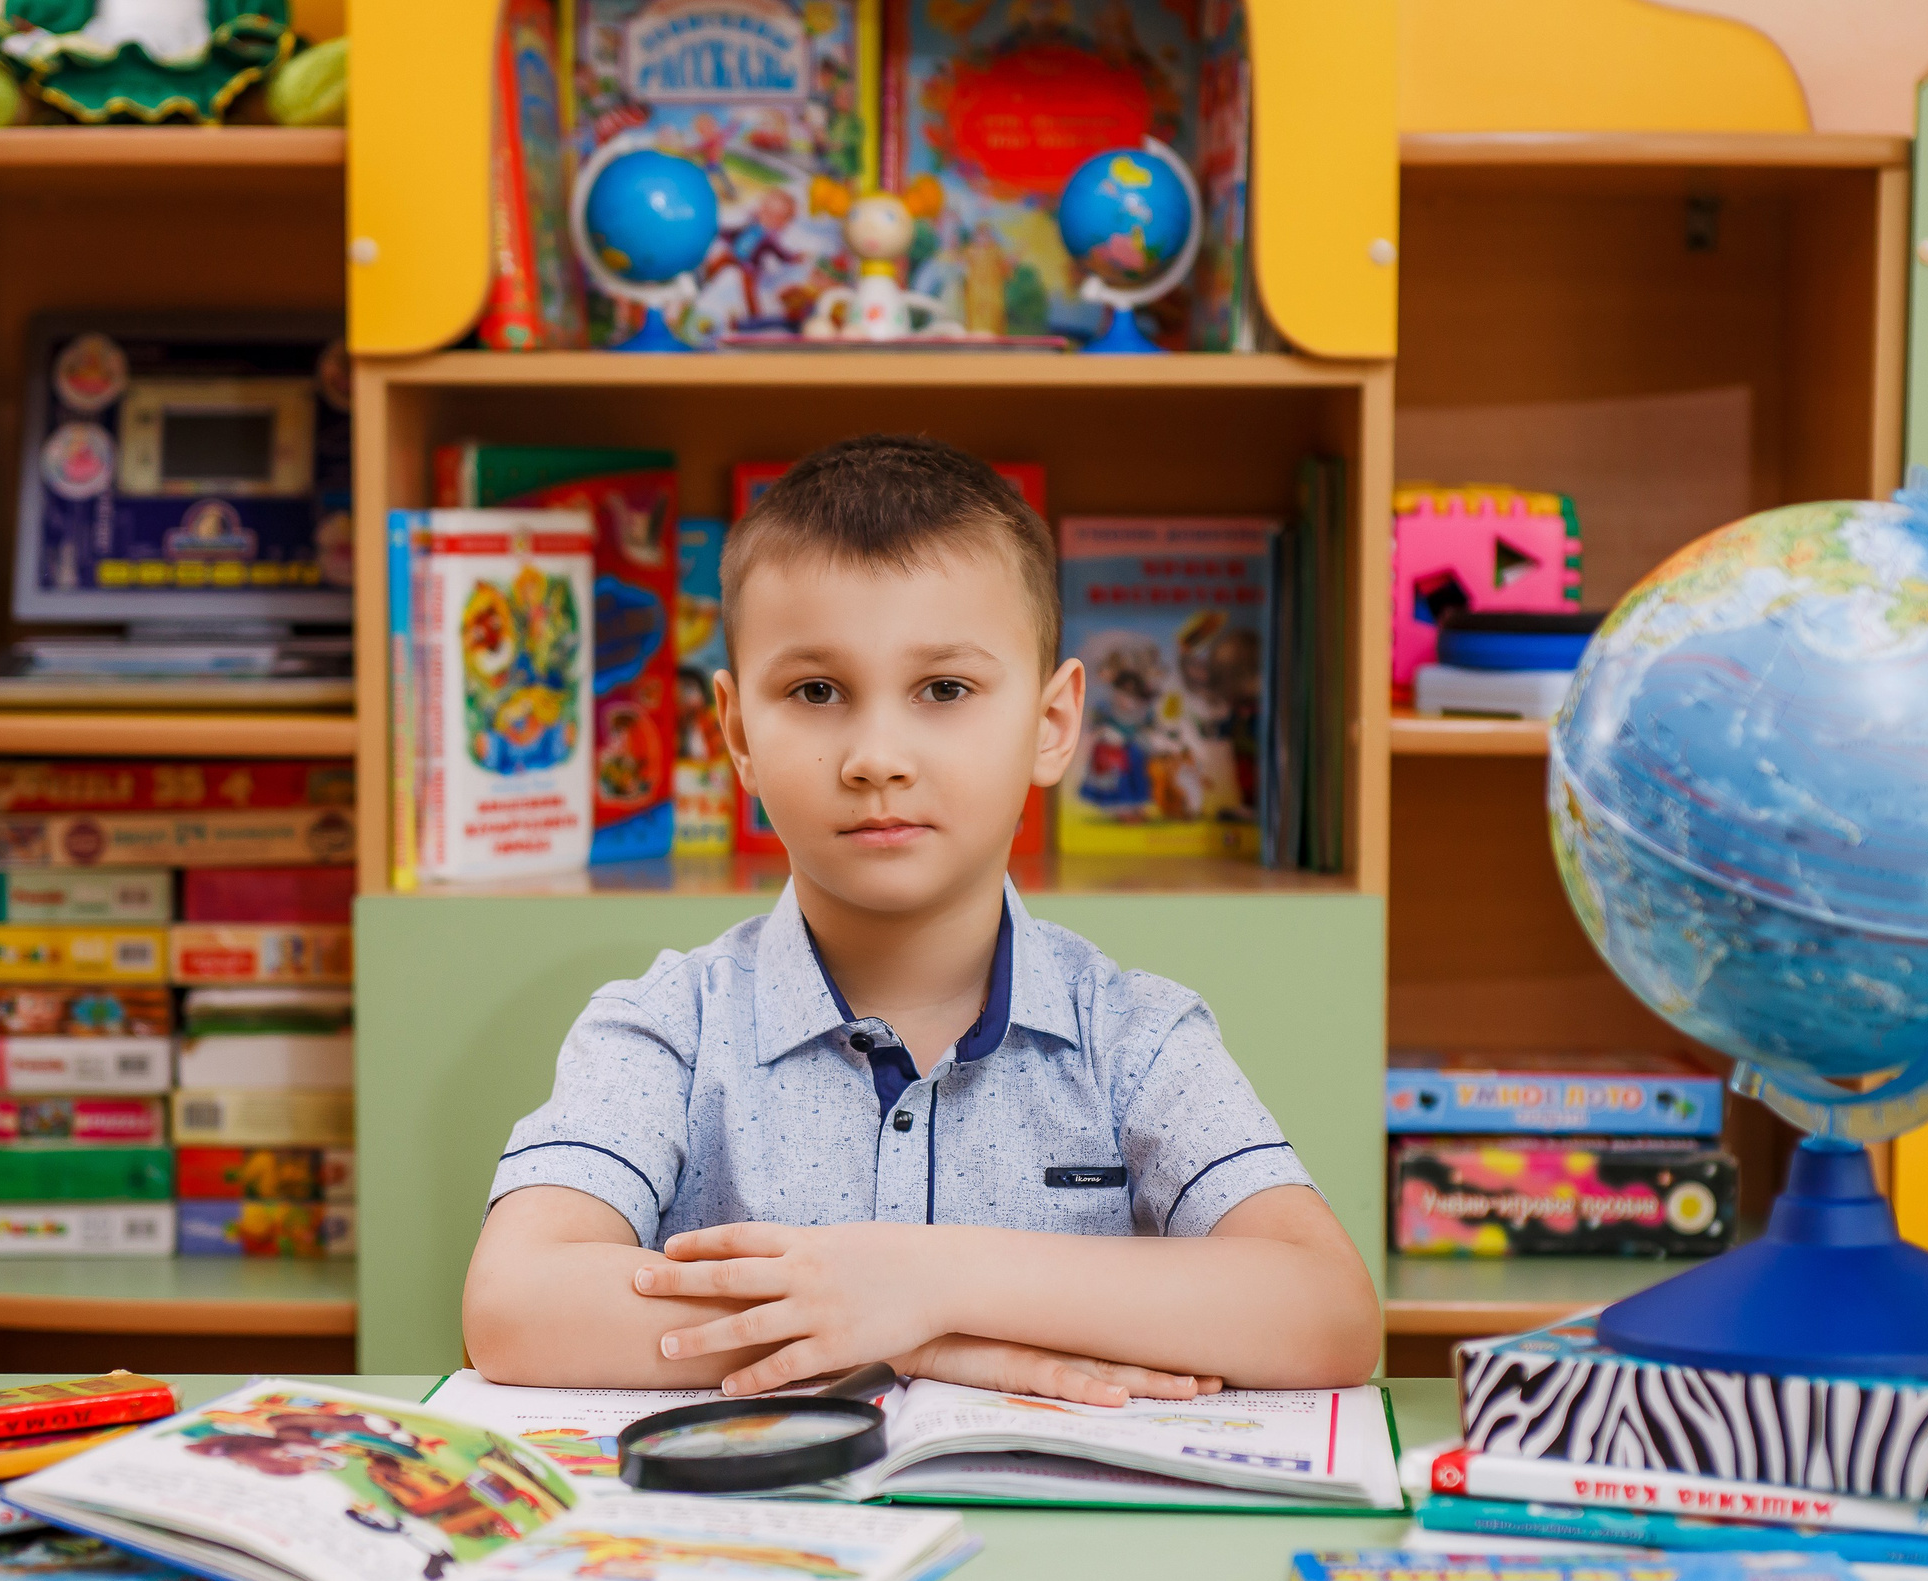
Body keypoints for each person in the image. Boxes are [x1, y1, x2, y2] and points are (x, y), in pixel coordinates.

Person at [462, 435, 1380, 1405]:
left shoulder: (1137, 1035)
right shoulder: (665, 1024)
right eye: (815, 691)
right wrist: (907, 1343)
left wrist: (927, 1283)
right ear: (734, 732)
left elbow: (1323, 1311)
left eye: (944, 689)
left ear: (1052, 722)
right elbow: (517, 1302)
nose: (876, 755)